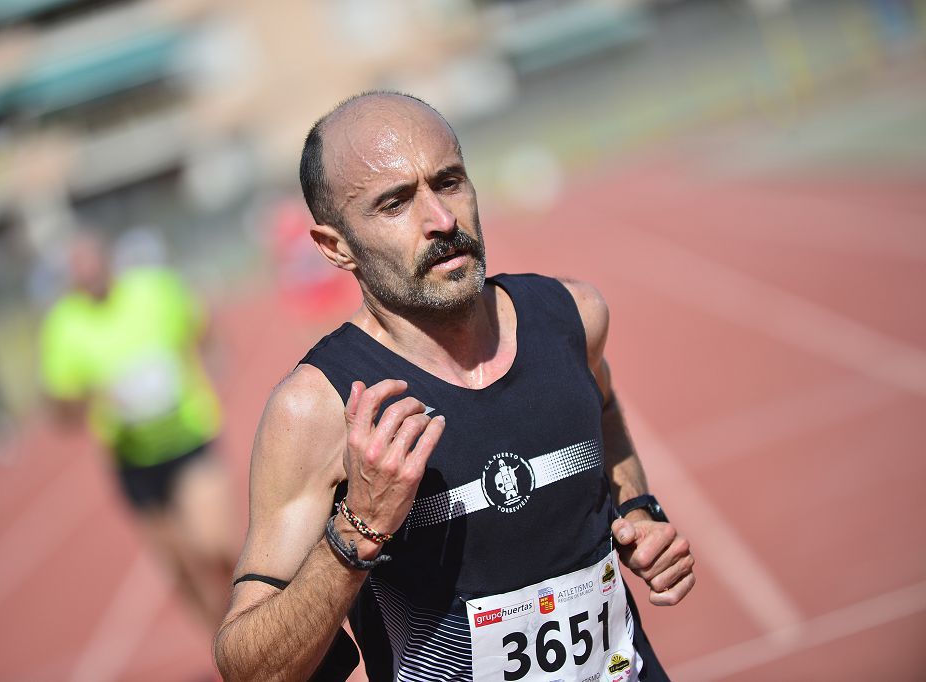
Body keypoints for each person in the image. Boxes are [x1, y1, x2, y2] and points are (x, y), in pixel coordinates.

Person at [215, 92, 696, 681]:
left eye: (448, 182)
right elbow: (248, 668)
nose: (441, 220)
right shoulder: (315, 410)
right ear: (336, 247)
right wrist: (355, 532)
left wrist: (638, 509)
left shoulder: (573, 317)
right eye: (394, 203)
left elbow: (605, 414)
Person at [39, 230, 239, 629]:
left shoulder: (153, 289)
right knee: (183, 568)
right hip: (133, 458)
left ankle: (261, 622)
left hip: (188, 436)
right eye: (79, 270)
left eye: (93, 263)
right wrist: (95, 397)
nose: (89, 275)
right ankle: (225, 650)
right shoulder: (64, 326)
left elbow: (197, 318)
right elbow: (59, 407)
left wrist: (209, 351)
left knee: (214, 544)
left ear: (107, 259)